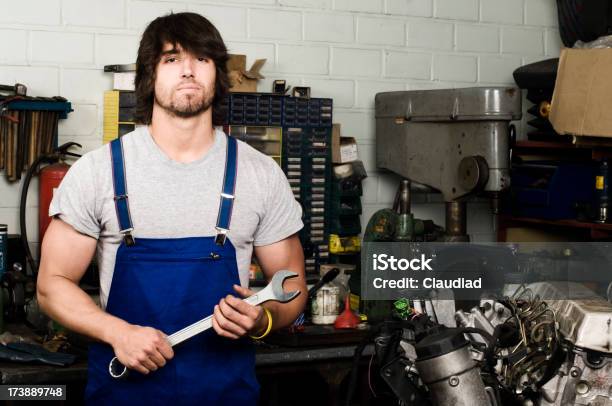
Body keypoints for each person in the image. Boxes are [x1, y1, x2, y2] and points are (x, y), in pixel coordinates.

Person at [37, 12, 307, 405]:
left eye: (202, 59)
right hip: (125, 393)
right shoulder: (98, 173)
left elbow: (293, 285)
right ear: (150, 76)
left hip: (225, 395)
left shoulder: (260, 174)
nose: (187, 71)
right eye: (172, 58)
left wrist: (263, 319)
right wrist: (118, 333)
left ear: (217, 75)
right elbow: (51, 285)